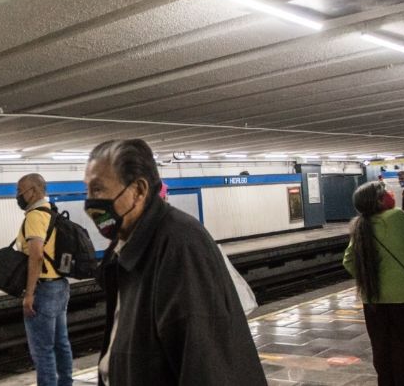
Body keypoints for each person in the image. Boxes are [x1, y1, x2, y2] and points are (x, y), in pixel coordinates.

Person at [84, 139, 265, 385]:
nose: (90, 202)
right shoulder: (130, 248)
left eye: (98, 190)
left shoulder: (179, 245)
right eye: (88, 191)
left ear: (138, 190)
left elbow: (205, 364)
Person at [343, 181, 404, 385]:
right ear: (379, 200)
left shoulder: (360, 226)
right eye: (385, 192)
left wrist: (370, 277)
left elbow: (348, 261)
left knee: (382, 350)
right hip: (403, 298)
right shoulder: (397, 217)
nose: (390, 194)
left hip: (373, 300)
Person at [15, 173, 72, 386]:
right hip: (60, 285)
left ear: (34, 191)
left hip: (44, 288)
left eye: (20, 191)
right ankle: (66, 383)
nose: (18, 195)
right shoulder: (52, 213)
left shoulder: (35, 216)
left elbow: (36, 255)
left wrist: (29, 294)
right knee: (61, 343)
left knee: (43, 350)